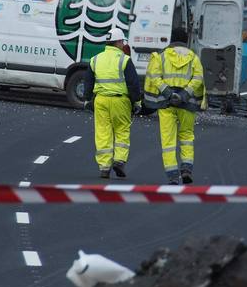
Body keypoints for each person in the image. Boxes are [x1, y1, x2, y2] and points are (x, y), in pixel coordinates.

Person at [143, 27, 204, 184]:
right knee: (186, 136)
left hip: (166, 104)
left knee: (168, 141)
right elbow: (198, 79)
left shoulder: (162, 57)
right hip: (187, 104)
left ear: (172, 40)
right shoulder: (194, 58)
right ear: (186, 41)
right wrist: (184, 95)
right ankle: (186, 169)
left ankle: (172, 176)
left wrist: (169, 93)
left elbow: (154, 77)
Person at [84, 27, 141, 179]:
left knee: (103, 133)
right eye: (122, 42)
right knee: (122, 131)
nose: (123, 44)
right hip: (120, 101)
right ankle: (119, 161)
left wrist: (87, 99)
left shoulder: (95, 59)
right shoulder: (125, 60)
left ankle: (104, 167)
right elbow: (133, 84)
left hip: (101, 100)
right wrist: (137, 102)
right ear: (118, 42)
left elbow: (88, 81)